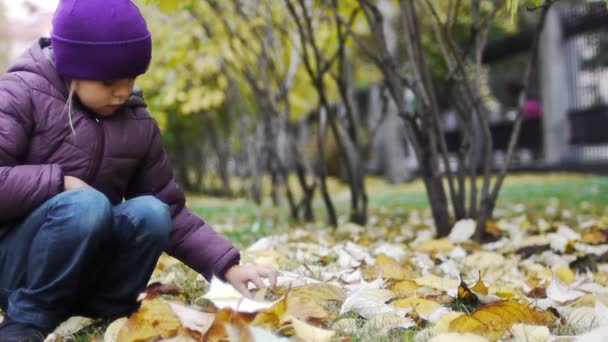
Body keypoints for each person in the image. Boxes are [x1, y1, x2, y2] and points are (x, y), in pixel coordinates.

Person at [0, 0, 277, 340]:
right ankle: (28, 320)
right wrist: (58, 183)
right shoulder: (21, 94)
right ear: (72, 66)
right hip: (17, 266)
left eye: (131, 77)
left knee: (152, 211)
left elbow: (171, 211)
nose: (122, 90)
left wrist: (227, 266)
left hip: (86, 269)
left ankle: (105, 309)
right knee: (88, 205)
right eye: (108, 80)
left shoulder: (136, 122)